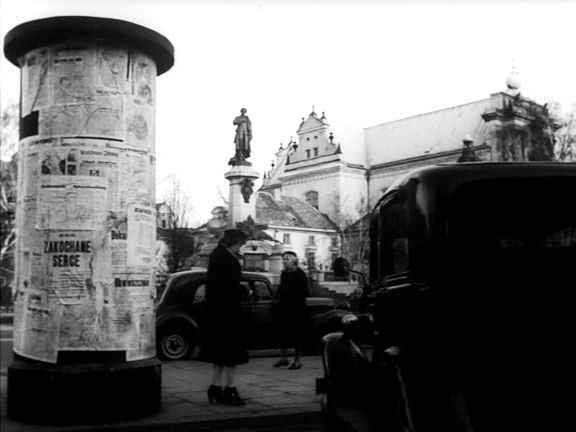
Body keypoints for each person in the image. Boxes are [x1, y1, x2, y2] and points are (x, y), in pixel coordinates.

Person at [203, 229, 249, 405]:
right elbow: (228, 285)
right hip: (228, 311)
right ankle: (230, 388)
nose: (240, 247)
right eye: (240, 244)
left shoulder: (217, 255)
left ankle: (215, 387)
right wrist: (243, 290)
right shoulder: (227, 259)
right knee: (231, 353)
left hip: (217, 311)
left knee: (220, 353)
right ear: (234, 242)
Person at [272, 251, 309, 369]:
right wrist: (277, 298)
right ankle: (284, 358)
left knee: (297, 334)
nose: (284, 261)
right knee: (282, 333)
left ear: (293, 261)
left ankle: (297, 360)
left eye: (287, 259)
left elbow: (304, 292)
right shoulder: (284, 273)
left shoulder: (300, 274)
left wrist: (291, 296)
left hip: (296, 308)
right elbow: (281, 288)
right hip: (284, 307)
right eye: (283, 259)